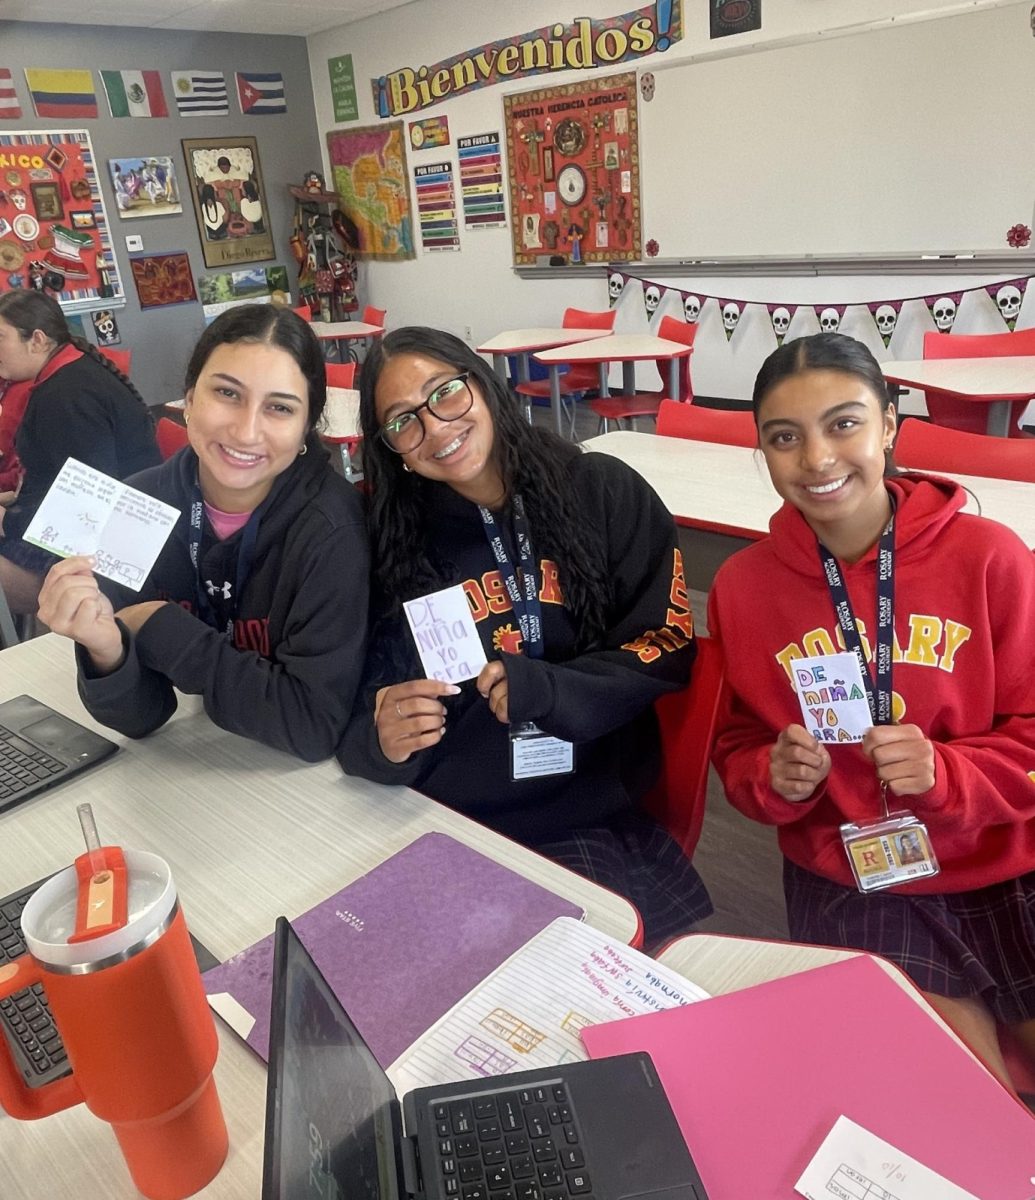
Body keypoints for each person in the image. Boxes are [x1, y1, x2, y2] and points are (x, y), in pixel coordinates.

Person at [708, 331, 1035, 1091]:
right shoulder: (743, 587)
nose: (817, 459)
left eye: (843, 423)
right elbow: (735, 745)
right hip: (855, 878)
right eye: (783, 438)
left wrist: (948, 771)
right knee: (959, 1101)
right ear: (760, 449)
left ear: (890, 424)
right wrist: (772, 774)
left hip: (1003, 860)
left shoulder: (991, 558)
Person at [336, 326, 711, 946]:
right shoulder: (389, 541)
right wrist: (378, 738)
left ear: (482, 384)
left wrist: (551, 689)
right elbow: (352, 696)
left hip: (578, 814)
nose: (435, 429)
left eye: (446, 394)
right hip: (438, 819)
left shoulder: (602, 493)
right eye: (403, 421)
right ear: (392, 449)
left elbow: (664, 644)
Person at [37, 304, 369, 761]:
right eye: (227, 394)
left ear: (306, 427)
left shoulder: (332, 530)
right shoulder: (136, 508)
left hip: (298, 786)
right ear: (189, 399)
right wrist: (106, 650)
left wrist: (158, 627)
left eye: (279, 407)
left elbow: (310, 725)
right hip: (195, 768)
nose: (246, 430)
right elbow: (144, 718)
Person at [0, 289, 159, 614]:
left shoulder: (67, 395)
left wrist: (12, 519)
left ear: (38, 340)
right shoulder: (64, 376)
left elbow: (89, 506)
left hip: (113, 555)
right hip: (87, 532)